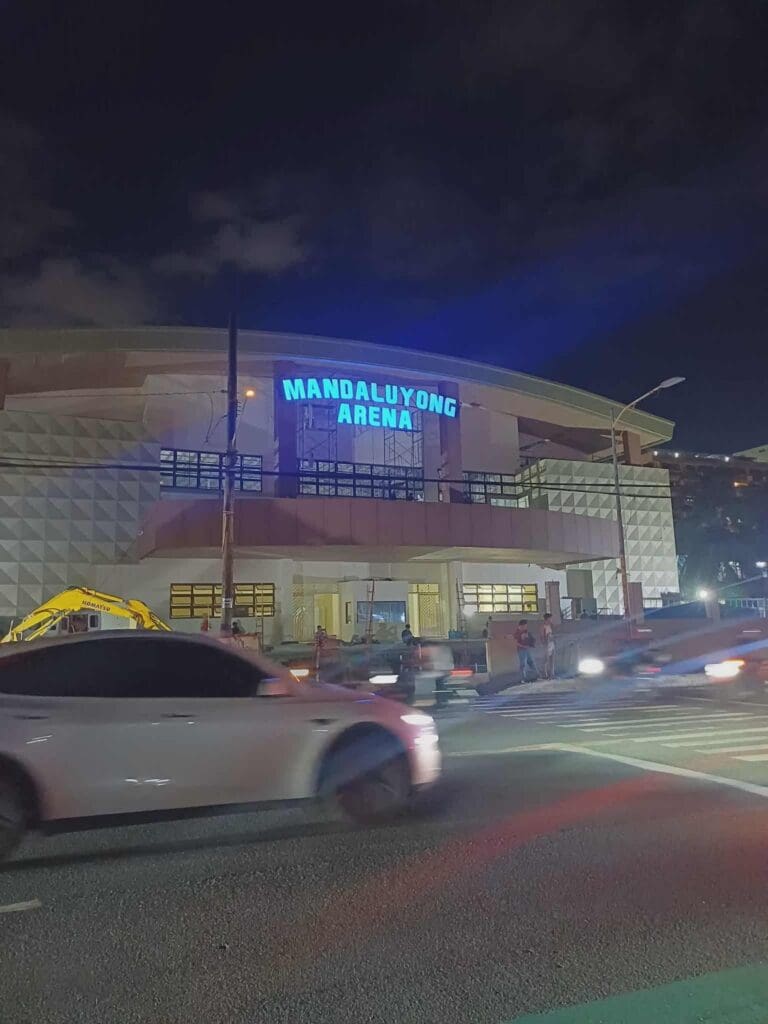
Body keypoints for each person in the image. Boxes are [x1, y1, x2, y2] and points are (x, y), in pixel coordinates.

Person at [540, 612, 556, 680]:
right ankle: (544, 674)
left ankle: (552, 674)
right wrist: (544, 643)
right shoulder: (543, 627)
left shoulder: (550, 626)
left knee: (552, 660)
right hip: (546, 645)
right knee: (545, 660)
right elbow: (542, 636)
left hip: (552, 644)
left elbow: (552, 634)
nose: (551, 620)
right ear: (547, 619)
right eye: (550, 618)